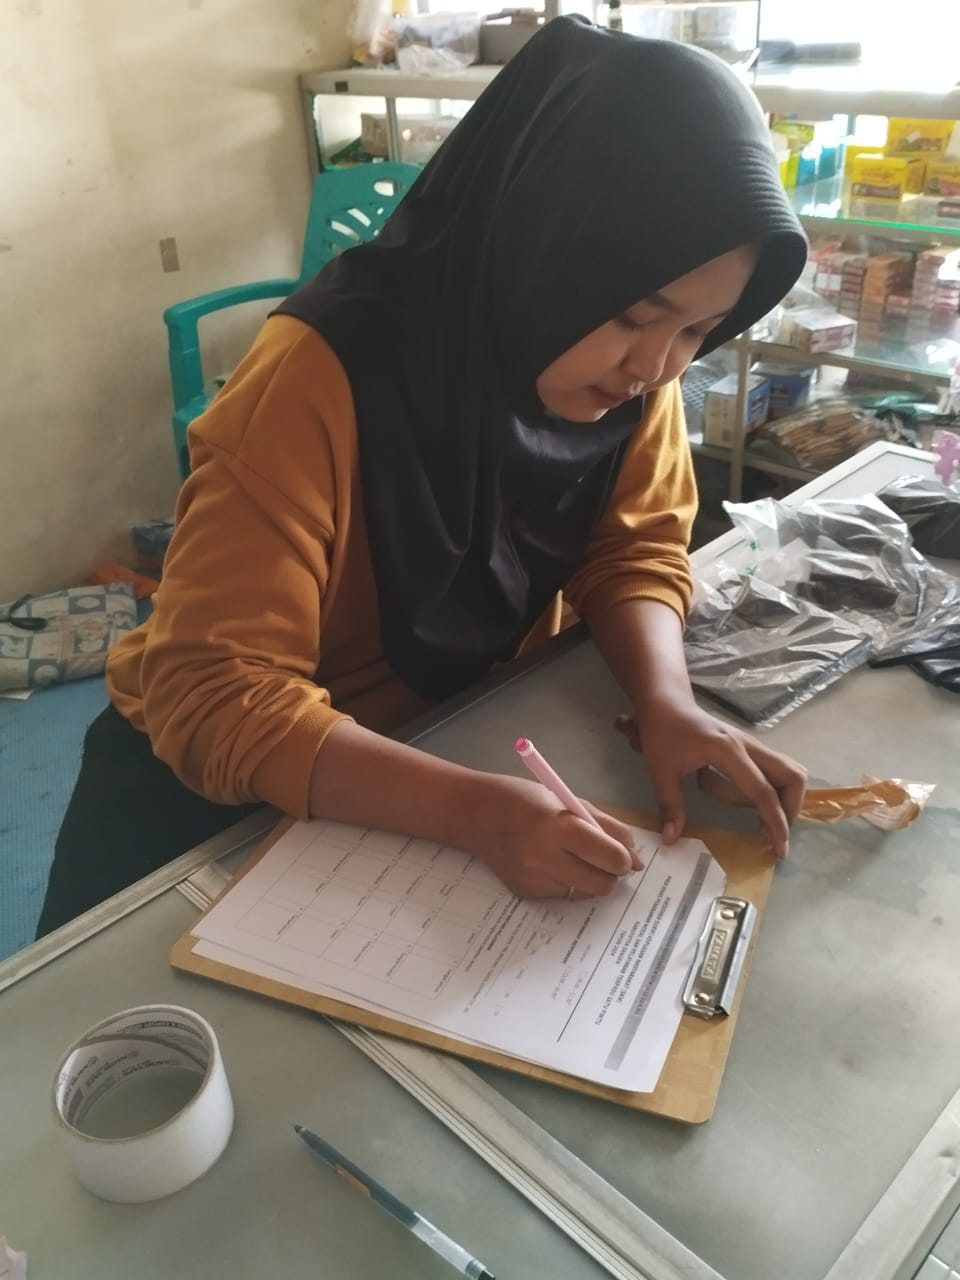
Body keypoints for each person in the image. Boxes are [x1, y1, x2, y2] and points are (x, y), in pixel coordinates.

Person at [37, 15, 808, 937]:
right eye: (639, 315)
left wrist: (667, 701)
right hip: (215, 802)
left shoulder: (625, 381)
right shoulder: (319, 376)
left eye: (698, 331)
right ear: (541, 245)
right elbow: (214, 694)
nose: (656, 366)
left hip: (444, 741)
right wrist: (475, 811)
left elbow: (631, 548)